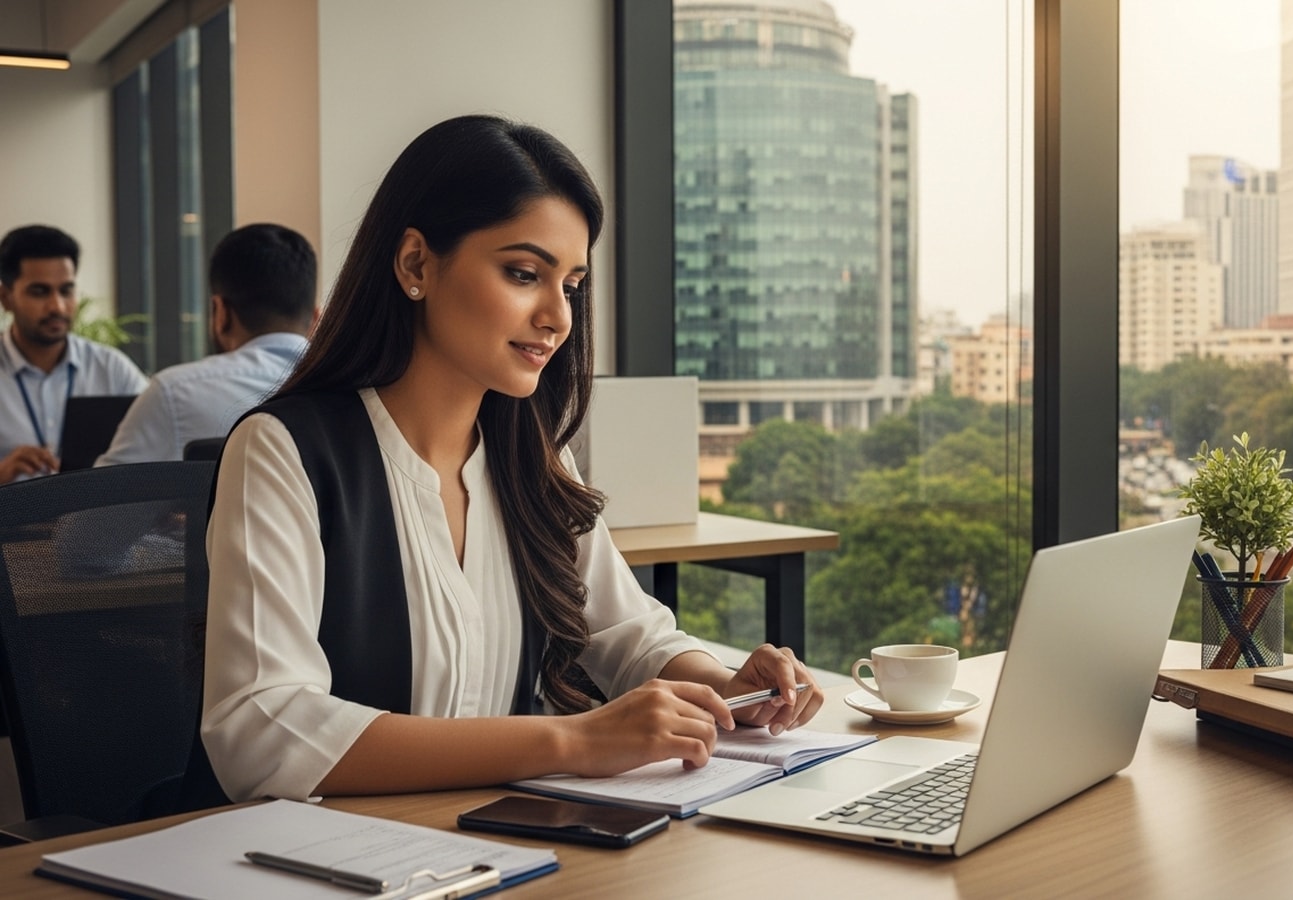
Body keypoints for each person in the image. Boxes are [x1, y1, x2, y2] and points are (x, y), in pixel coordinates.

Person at [199, 115, 824, 803]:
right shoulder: (285, 451)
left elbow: (626, 632)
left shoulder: (532, 456)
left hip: (503, 839)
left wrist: (725, 688)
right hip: (340, 851)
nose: (559, 316)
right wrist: (573, 742)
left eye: (572, 285)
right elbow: (262, 730)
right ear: (416, 264)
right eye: (524, 274)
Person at [95, 223, 316, 466]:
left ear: (221, 312)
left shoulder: (173, 394)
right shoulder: (346, 393)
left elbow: (104, 488)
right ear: (316, 319)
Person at [0, 225, 148, 482]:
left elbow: (155, 446)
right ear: (6, 298)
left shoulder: (111, 369)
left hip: (93, 508)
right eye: (39, 292)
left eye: (66, 291)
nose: (57, 306)